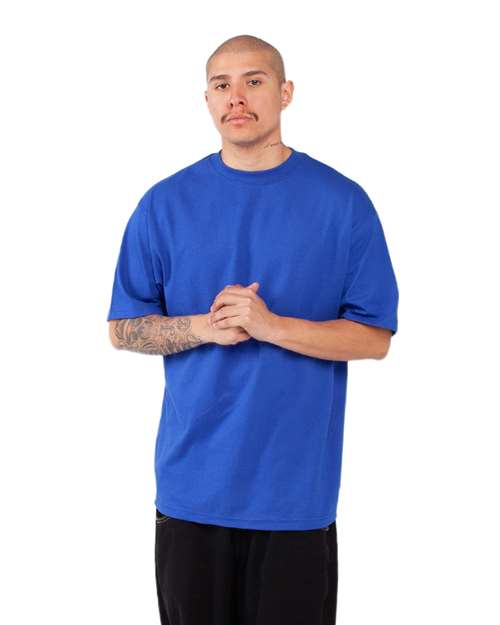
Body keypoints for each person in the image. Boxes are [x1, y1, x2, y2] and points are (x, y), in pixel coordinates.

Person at [106, 33, 399, 625]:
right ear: (207, 100)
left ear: (285, 93)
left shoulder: (343, 204)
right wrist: (204, 327)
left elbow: (375, 338)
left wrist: (272, 326)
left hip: (295, 497)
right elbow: (122, 329)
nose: (236, 97)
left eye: (254, 81)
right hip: (192, 491)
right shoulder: (163, 205)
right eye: (222, 85)